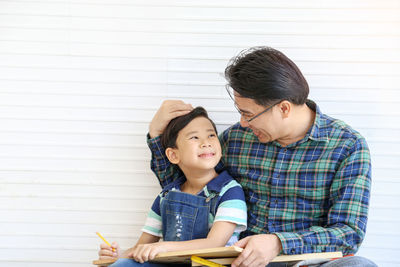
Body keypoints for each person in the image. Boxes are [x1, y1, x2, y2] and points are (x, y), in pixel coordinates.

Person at [147, 47, 377, 267]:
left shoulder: (347, 146)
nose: (242, 123)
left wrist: (278, 243)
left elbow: (348, 233)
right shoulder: (236, 139)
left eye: (248, 114)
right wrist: (157, 134)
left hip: (307, 262)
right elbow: (183, 188)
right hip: (238, 261)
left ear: (284, 108)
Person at [98, 107, 247, 267]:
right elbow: (143, 246)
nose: (206, 143)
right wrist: (119, 255)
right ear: (173, 155)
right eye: (194, 137)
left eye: (211, 135)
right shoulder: (167, 195)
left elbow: (215, 243)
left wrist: (163, 246)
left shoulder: (230, 191)